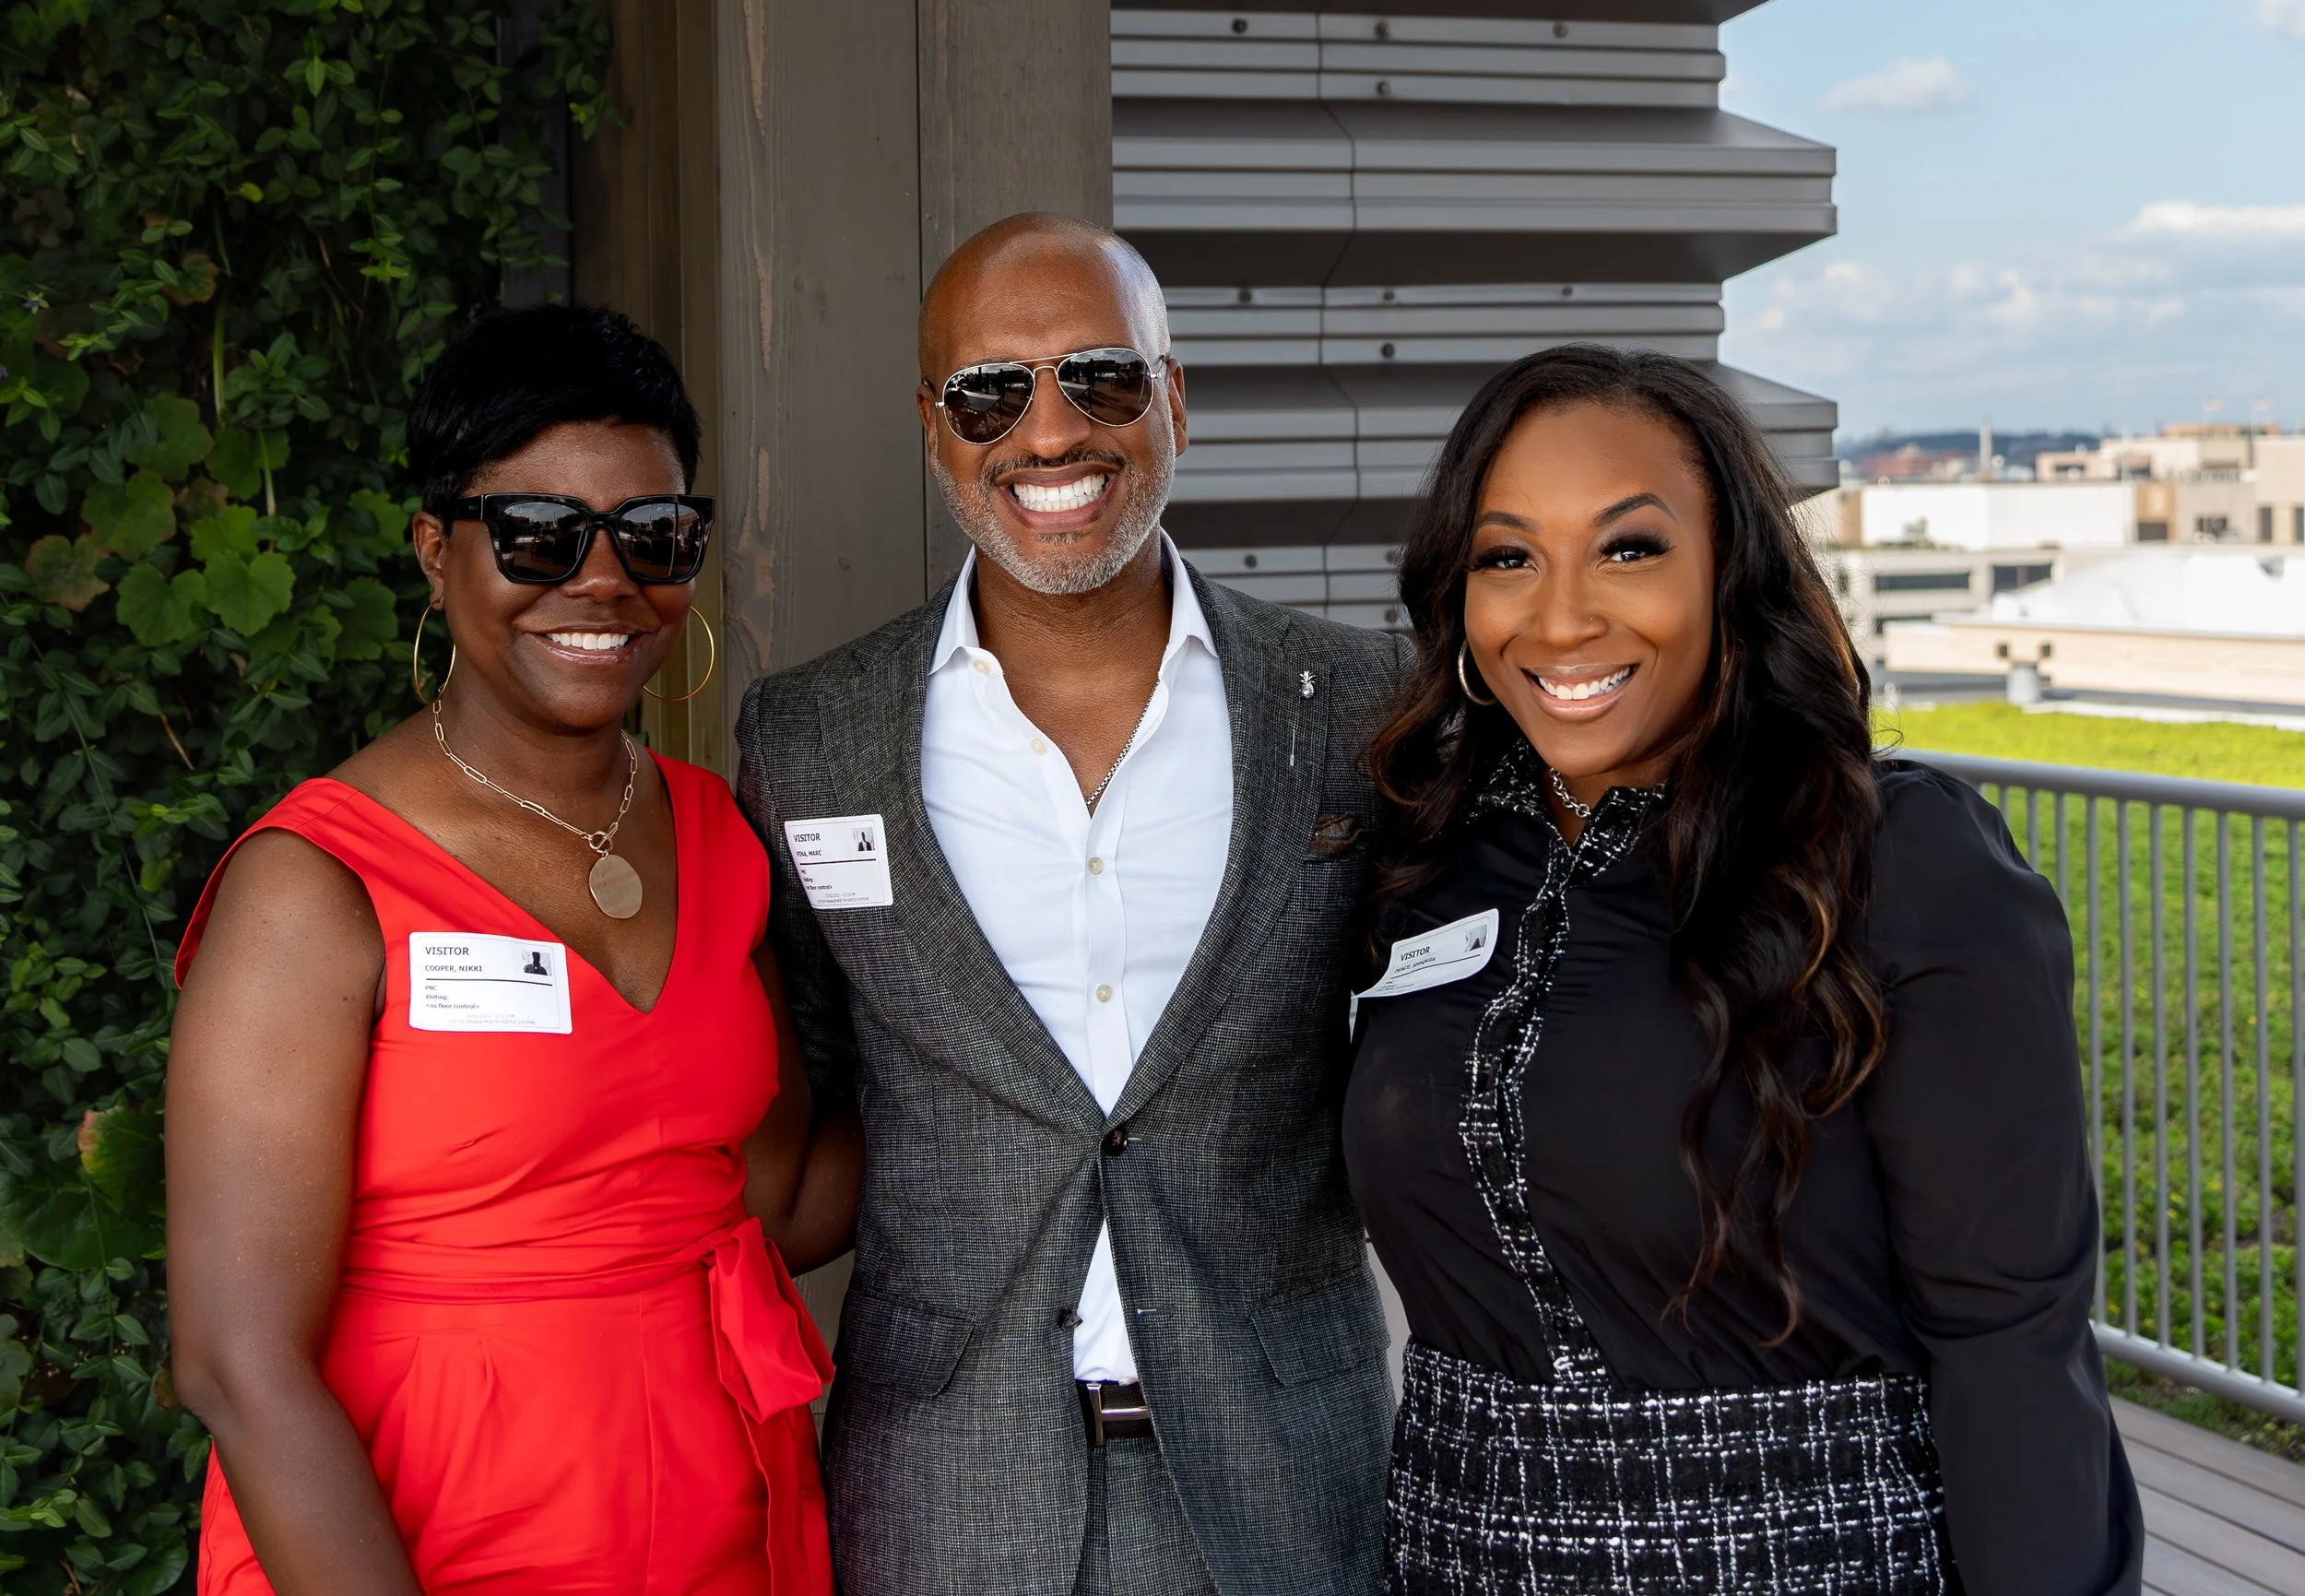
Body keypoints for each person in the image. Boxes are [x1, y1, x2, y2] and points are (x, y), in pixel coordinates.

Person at [1343, 345, 2143, 1596]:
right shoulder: (1427, 857)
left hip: (1806, 1560)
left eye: (1629, 548)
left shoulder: (1892, 856)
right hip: (1459, 1556)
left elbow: (2010, 1336)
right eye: (1509, 557)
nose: (1561, 617)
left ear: (1732, 572)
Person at [737, 214, 1400, 1596]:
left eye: (1097, 376)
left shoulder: (1354, 710)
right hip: (943, 1495)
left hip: (1288, 1483)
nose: (1048, 433)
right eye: (991, 392)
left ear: (1173, 399)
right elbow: (791, 1082)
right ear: (935, 430)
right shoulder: (810, 740)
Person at [166, 303, 858, 1596]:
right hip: (423, 1548)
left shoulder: (720, 841)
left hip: (728, 1534)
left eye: (652, 537)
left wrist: (1035, 1082)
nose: (602, 581)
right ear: (437, 550)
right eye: (538, 535)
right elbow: (235, 1363)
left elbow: (765, 1210)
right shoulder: (315, 887)